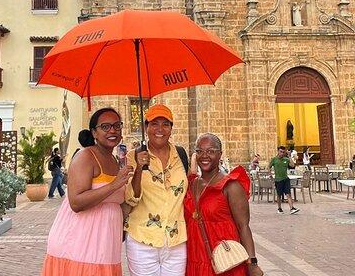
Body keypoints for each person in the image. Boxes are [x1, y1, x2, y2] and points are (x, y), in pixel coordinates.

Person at [41, 107, 133, 276]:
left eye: (117, 125)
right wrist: (114, 184)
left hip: (106, 244)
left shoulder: (114, 159)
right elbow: (76, 202)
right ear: (94, 133)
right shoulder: (85, 156)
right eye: (105, 127)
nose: (112, 130)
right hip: (80, 243)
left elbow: (118, 203)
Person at [184, 133, 263, 276]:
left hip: (224, 261)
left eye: (210, 151)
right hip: (195, 259)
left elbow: (243, 227)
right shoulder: (191, 184)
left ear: (220, 154)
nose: (204, 156)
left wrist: (252, 263)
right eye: (199, 151)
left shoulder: (231, 186)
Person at [125, 104, 188, 276]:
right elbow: (131, 198)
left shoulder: (181, 155)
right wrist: (139, 168)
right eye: (154, 123)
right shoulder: (133, 156)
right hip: (142, 240)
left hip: (176, 240)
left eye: (165, 124)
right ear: (146, 127)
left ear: (171, 128)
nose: (160, 129)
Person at [269, 146, 299, 215]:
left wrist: (289, 156)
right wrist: (270, 175)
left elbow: (292, 165)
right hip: (278, 180)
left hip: (286, 179)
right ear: (278, 151)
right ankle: (279, 208)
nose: (282, 153)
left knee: (288, 194)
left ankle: (292, 208)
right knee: (279, 195)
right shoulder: (274, 159)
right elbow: (269, 167)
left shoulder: (286, 159)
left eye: (283, 152)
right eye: (280, 152)